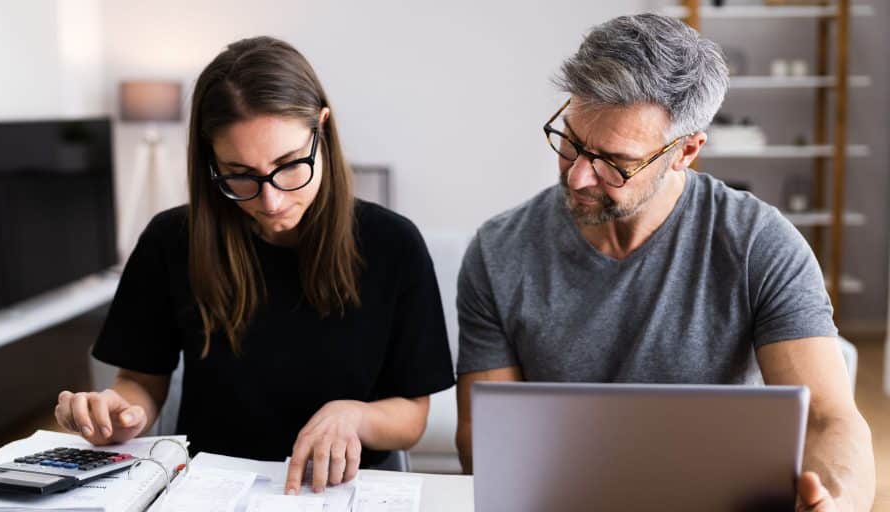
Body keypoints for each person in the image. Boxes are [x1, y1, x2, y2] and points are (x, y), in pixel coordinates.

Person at [454, 14, 874, 512]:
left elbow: (829, 419)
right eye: (570, 141)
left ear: (687, 151)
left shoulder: (758, 244)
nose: (579, 177)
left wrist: (837, 502)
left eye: (615, 161)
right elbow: (484, 437)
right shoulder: (500, 251)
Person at [53, 36, 454, 495]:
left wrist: (354, 414)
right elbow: (140, 383)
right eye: (240, 173)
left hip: (344, 491)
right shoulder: (171, 240)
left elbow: (411, 415)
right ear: (211, 161)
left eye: (288, 165)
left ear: (321, 128)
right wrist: (116, 411)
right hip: (209, 488)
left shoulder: (393, 244)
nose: (271, 200)